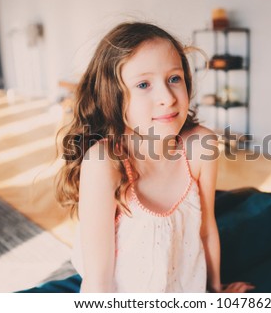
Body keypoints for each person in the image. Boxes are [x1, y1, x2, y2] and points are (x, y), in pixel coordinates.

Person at [55, 22, 255, 293]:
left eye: (174, 78)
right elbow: (99, 279)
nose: (167, 98)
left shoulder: (200, 146)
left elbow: (206, 228)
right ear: (113, 97)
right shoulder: (104, 162)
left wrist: (217, 287)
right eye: (143, 84)